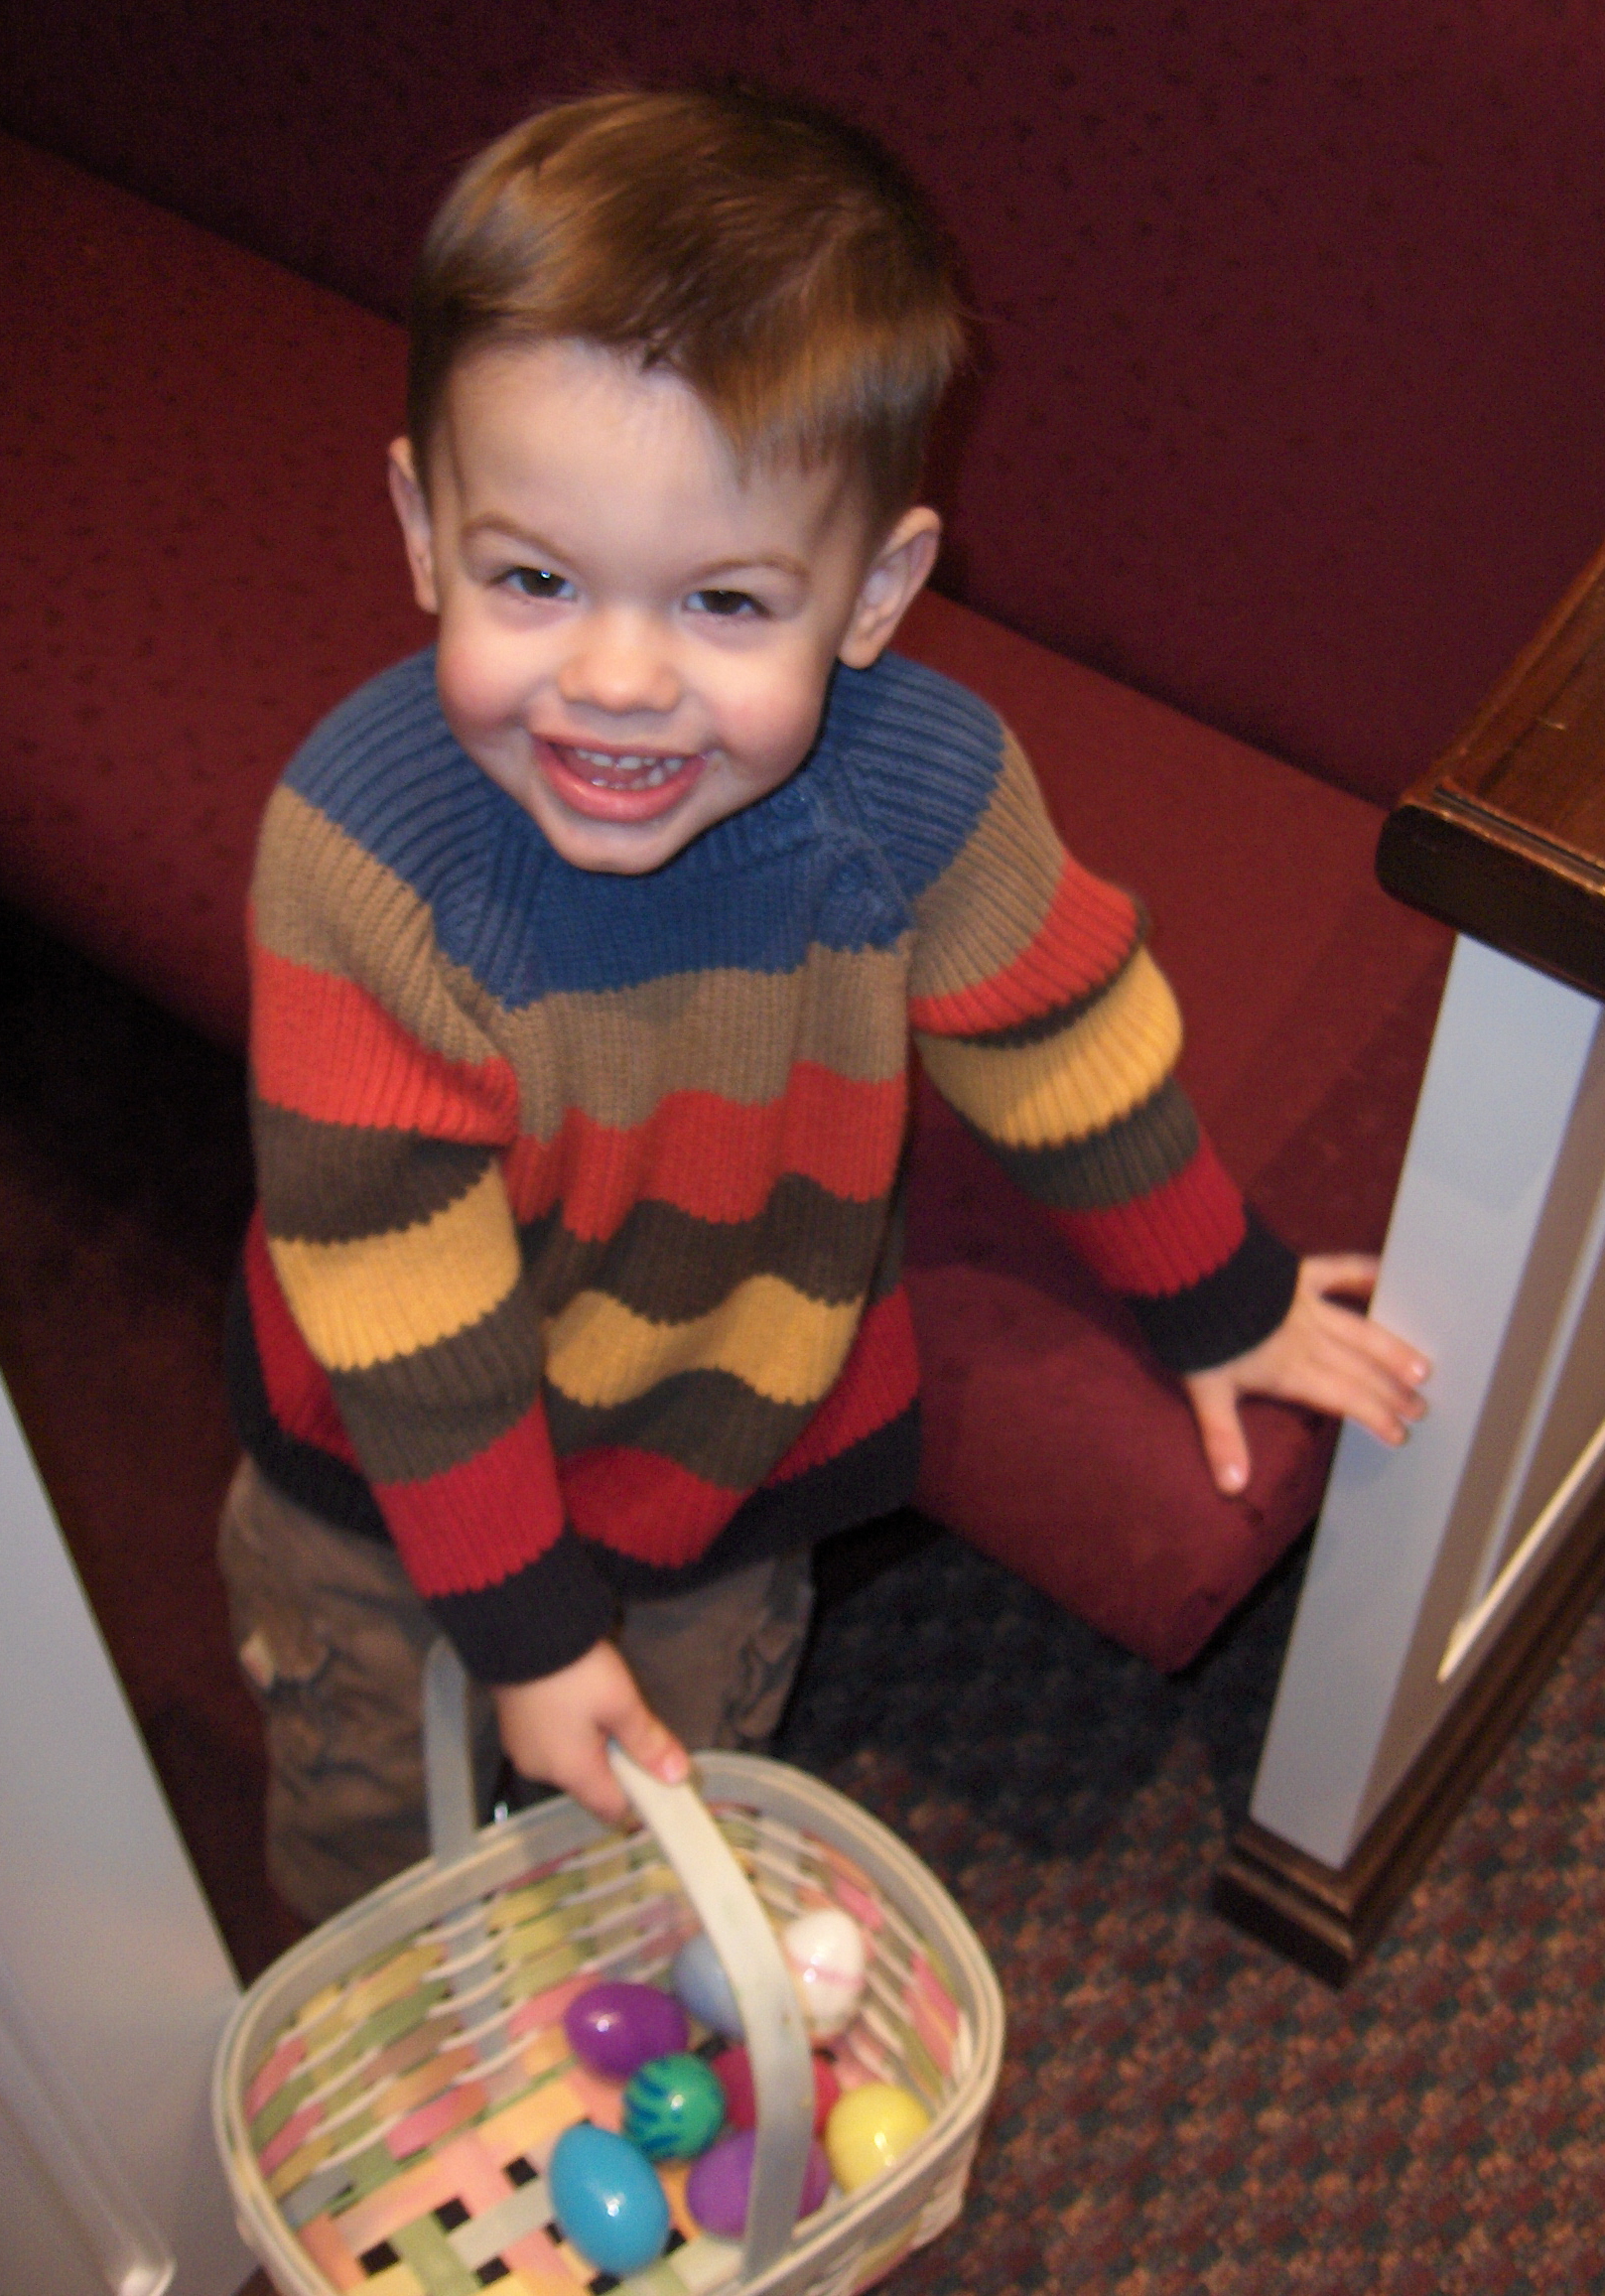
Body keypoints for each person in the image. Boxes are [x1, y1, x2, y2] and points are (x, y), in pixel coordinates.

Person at [220, 84, 1429, 1924]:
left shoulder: (926, 793)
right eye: (532, 577)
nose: (614, 677)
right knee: (382, 1849)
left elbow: (1059, 1037)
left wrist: (1223, 1293)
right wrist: (526, 1627)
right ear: (419, 528)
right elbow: (402, 1293)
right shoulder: (364, 854)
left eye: (722, 602)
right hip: (385, 1490)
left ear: (872, 595)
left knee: (667, 1860)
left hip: (726, 1449)